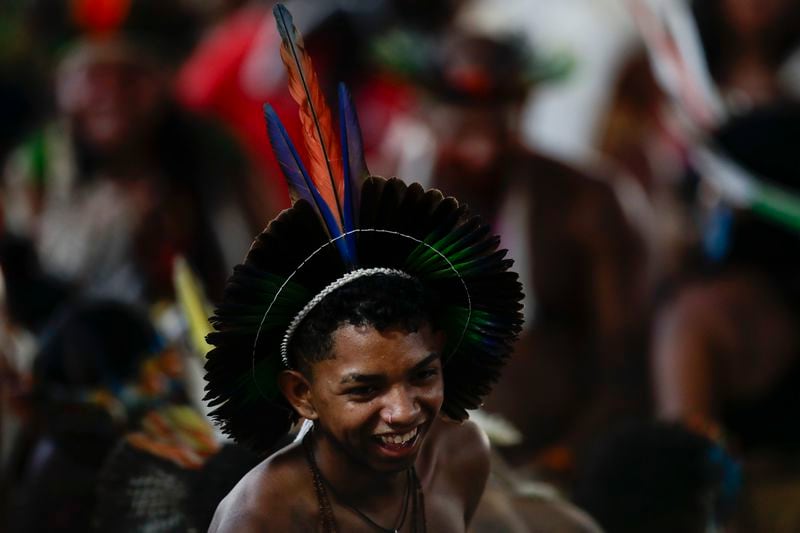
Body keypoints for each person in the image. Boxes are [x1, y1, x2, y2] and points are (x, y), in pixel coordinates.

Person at [203, 5, 523, 531]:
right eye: (364, 389)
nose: (402, 411)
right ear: (300, 393)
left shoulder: (461, 455)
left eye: (422, 374)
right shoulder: (259, 518)